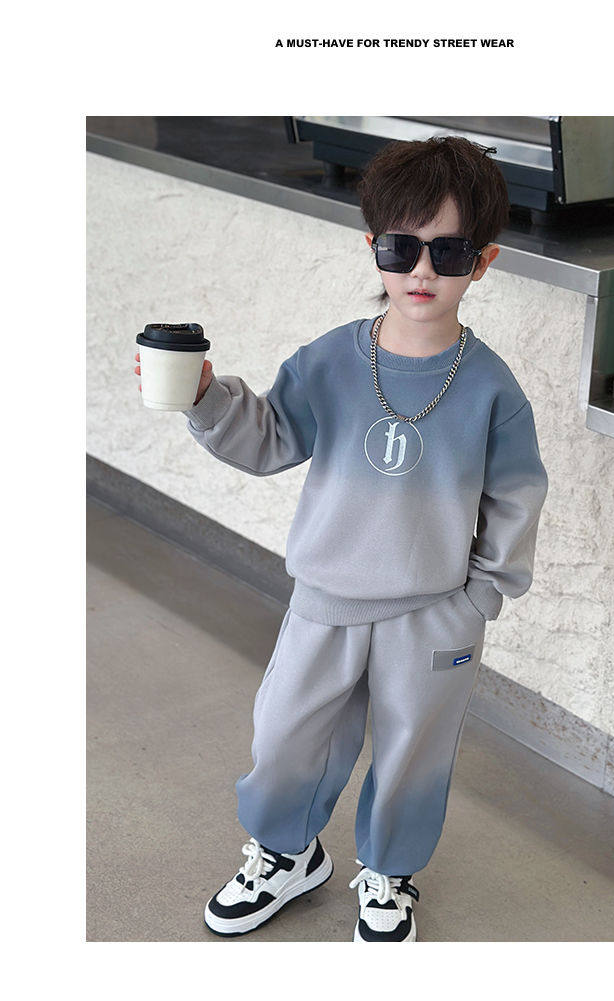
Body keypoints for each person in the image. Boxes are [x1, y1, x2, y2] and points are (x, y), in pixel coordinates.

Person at [134, 135, 549, 942]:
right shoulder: (330, 360)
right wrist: (204, 397)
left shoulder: (493, 388)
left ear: (483, 262)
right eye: (401, 247)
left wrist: (480, 597)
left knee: (413, 752)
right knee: (287, 735)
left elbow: (516, 495)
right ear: (373, 247)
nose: (421, 270)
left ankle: (389, 873)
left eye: (449, 251)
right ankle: (286, 852)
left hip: (435, 611)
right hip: (326, 597)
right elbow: (270, 436)